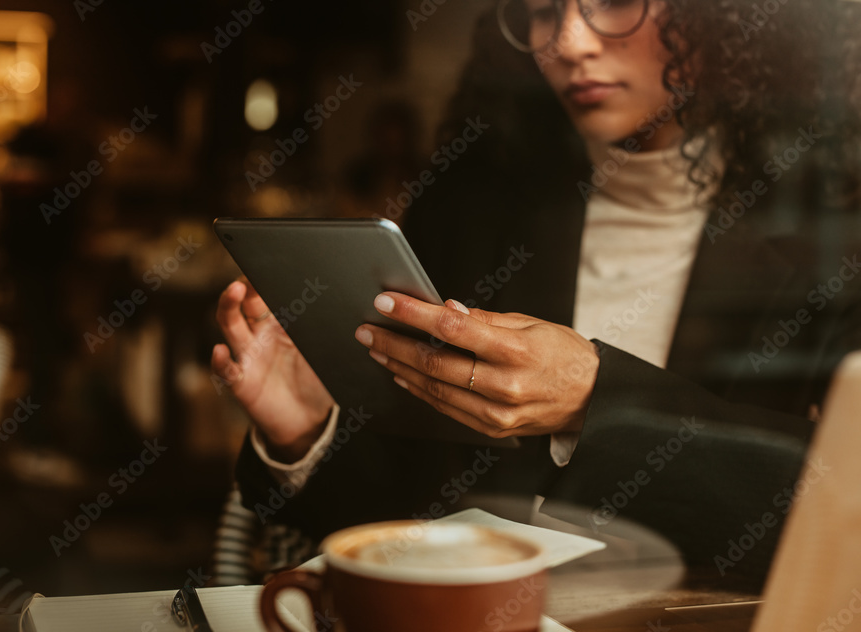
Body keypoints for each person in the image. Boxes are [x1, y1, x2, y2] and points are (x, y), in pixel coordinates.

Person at [213, 0, 861, 586]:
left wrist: (595, 397)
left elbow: (834, 500)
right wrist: (308, 436)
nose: (570, 42)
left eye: (614, 2)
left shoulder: (833, 217)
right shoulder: (473, 198)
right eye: (544, 11)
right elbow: (418, 522)